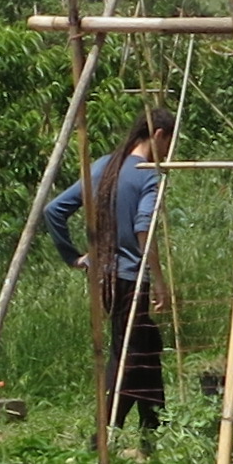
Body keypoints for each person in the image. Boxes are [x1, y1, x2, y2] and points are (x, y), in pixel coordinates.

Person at [50, 108, 174, 443]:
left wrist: (74, 257)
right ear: (158, 135)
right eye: (168, 143)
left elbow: (54, 210)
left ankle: (153, 426)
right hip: (132, 278)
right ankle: (104, 433)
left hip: (104, 277)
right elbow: (143, 231)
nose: (167, 153)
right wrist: (159, 280)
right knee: (129, 355)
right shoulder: (147, 175)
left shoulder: (103, 166)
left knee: (146, 345)